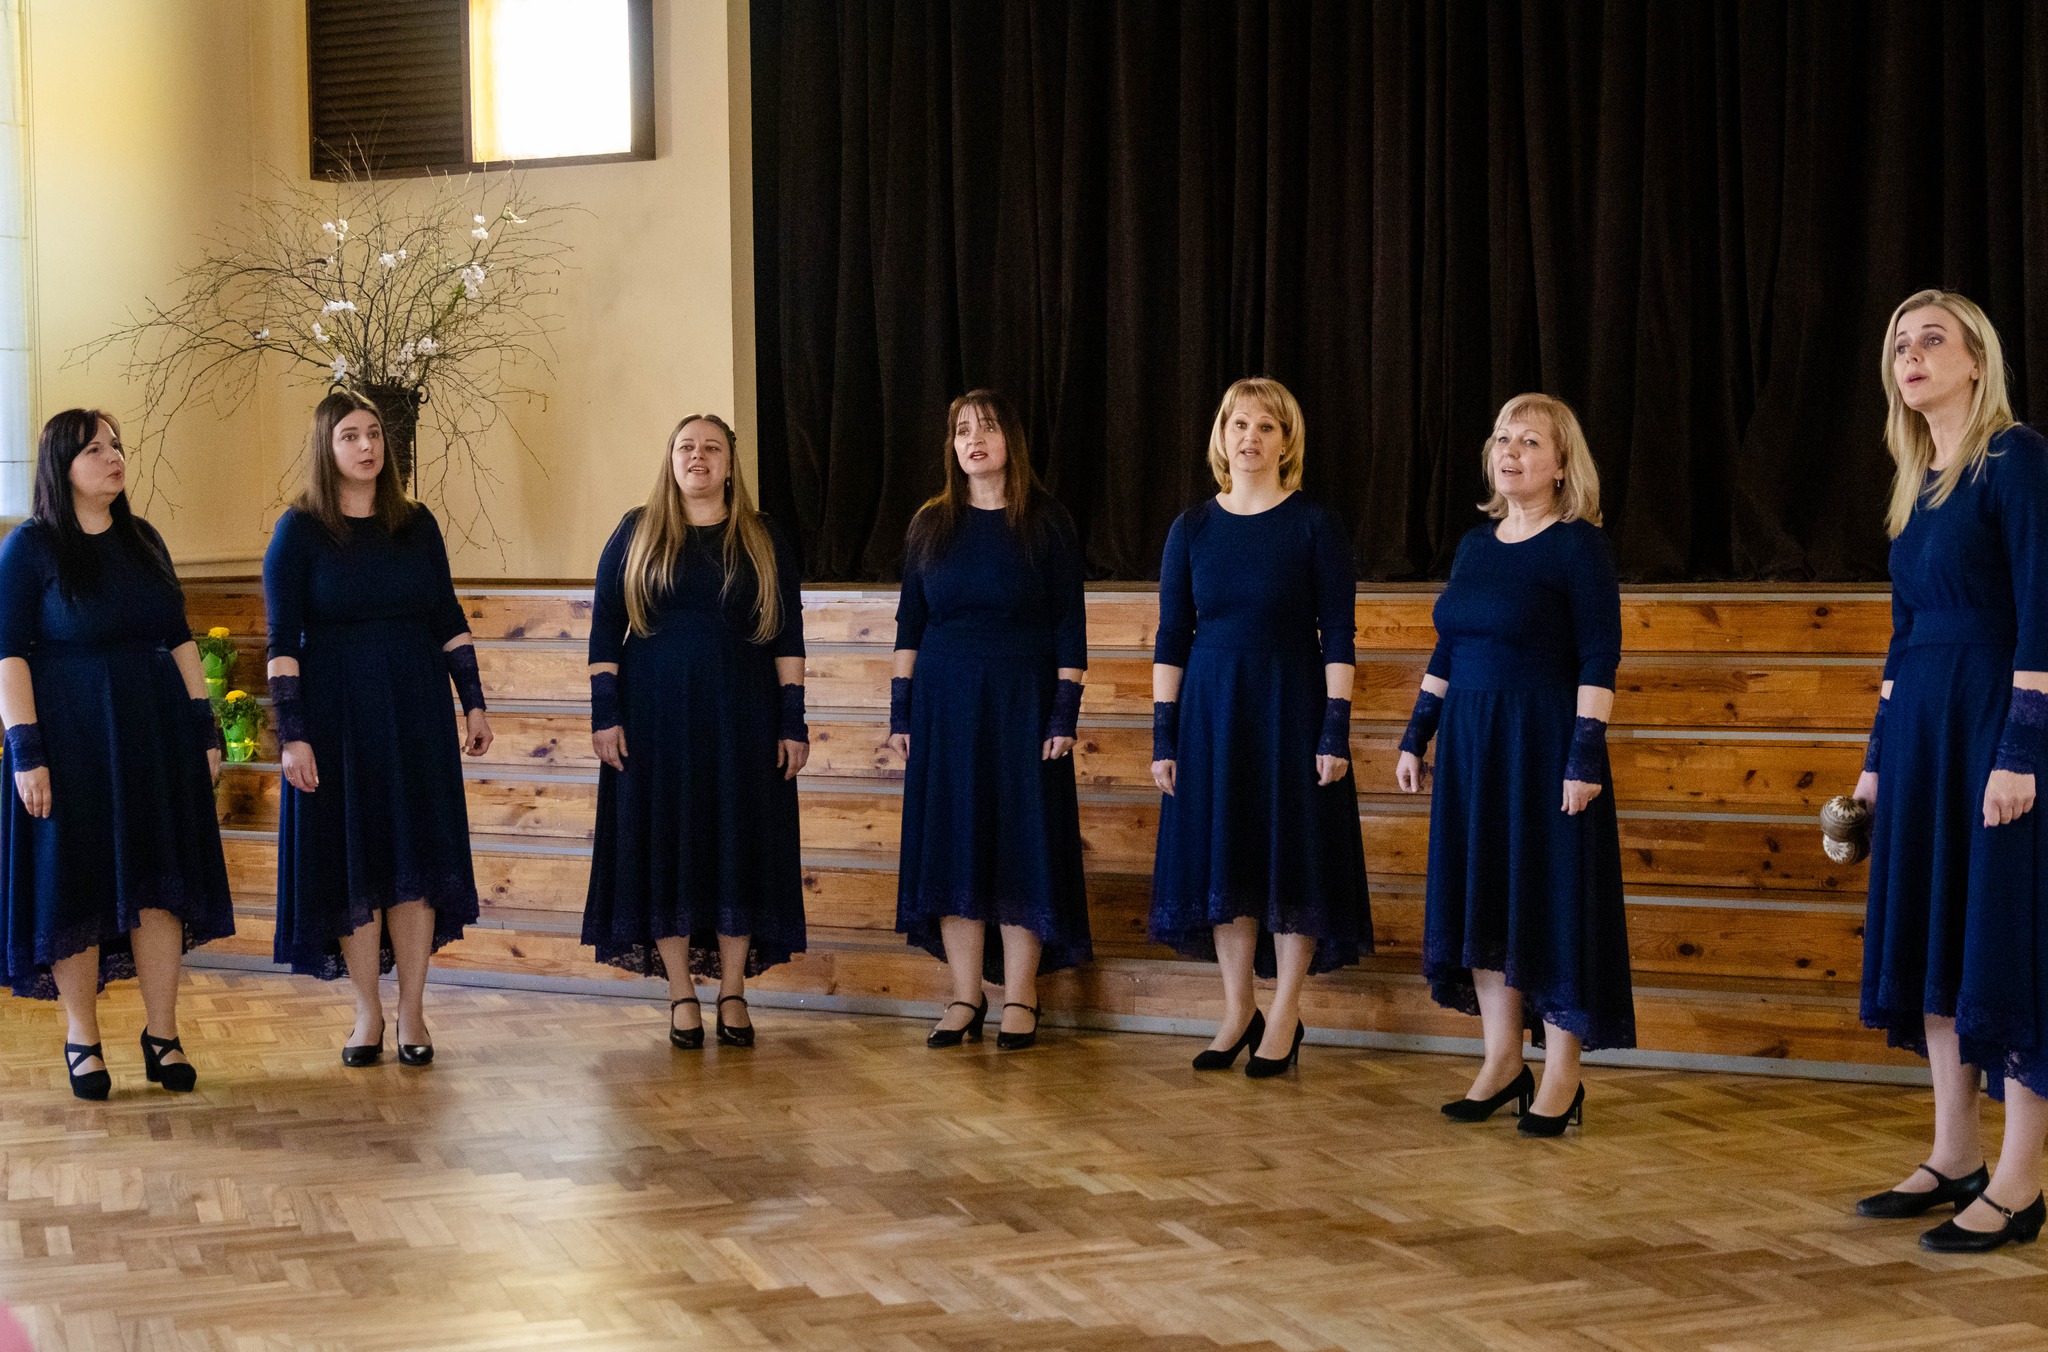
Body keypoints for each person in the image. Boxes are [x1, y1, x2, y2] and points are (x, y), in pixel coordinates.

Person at [1855, 289, 2048, 1252]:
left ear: (1977, 361)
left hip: (1989, 729)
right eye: (1901, 343)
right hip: (1924, 737)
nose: (1913, 355)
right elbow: (1901, 644)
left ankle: (2020, 1182)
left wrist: (2021, 750)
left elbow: (2044, 612)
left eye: (1934, 340)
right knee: (1939, 942)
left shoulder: (2016, 458)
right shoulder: (1913, 482)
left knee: (2000, 946)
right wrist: (1875, 766)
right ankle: (1955, 1154)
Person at [1394, 392, 1633, 1137]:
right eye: (1503, 438)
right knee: (1485, 897)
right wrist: (1417, 733)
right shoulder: (1474, 546)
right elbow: (1449, 645)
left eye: (1530, 441)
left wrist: (1584, 754)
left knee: (1548, 899)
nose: (1511, 452)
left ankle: (1562, 1073)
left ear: (1561, 465)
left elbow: (1600, 655)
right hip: (1471, 746)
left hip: (1544, 744)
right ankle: (1502, 1062)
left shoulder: (1578, 546)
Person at [0, 409, 233, 1098]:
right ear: (61, 465)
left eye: (116, 446)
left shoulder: (143, 539)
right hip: (68, 739)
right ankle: (83, 1038)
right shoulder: (30, 548)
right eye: (95, 449)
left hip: (153, 734)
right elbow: (7, 655)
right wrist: (25, 751)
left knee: (160, 883)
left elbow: (179, 636)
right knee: (74, 888)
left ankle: (163, 1035)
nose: (113, 457)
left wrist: (205, 727)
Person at [1148, 376, 1371, 1076]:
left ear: (1286, 441)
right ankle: (1237, 1008)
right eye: (1239, 424)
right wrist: (1164, 735)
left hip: (1290, 705)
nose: (1251, 437)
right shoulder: (1191, 528)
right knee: (1228, 858)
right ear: (1221, 436)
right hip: (1212, 711)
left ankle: (1284, 1014)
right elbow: (1171, 635)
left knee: (1290, 856)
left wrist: (1335, 727)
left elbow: (1339, 633)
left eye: (1266, 426)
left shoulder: (1314, 524)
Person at [263, 390, 490, 1068]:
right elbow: (281, 642)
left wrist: (474, 701)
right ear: (326, 448)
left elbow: (447, 615)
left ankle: (413, 1010)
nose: (367, 446)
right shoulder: (298, 531)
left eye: (374, 434)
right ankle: (367, 1010)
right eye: (350, 436)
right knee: (355, 862)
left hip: (416, 709)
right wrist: (292, 733)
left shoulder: (415, 524)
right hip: (337, 717)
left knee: (414, 860)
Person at [583, 414, 808, 1048]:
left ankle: (732, 991)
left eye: (711, 448)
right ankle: (681, 992)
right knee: (665, 848)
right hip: (653, 720)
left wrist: (793, 719)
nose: (697, 456)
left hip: (744, 717)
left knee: (738, 845)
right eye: (686, 447)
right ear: (671, 460)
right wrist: (605, 714)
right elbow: (604, 629)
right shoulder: (636, 530)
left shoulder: (762, 536)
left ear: (731, 464)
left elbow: (788, 636)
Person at [889, 390, 1091, 1051]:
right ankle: (964, 995)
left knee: (1020, 845)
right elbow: (910, 624)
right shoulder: (930, 524)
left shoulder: (1047, 521)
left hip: (1023, 701)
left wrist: (1063, 713)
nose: (974, 440)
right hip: (944, 705)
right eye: (962, 430)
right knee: (954, 845)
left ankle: (1021, 997)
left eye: (988, 428)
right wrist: (901, 710)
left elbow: (1069, 624)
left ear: (1012, 440)